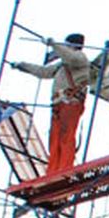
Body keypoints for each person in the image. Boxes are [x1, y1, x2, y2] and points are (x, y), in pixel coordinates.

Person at [10, 33, 96, 175]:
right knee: (55, 138)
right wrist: (22, 66)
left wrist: (54, 44)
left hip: (71, 102)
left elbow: (71, 57)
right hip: (59, 104)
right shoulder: (62, 65)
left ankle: (64, 168)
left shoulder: (80, 58)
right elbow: (43, 72)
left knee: (66, 136)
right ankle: (54, 170)